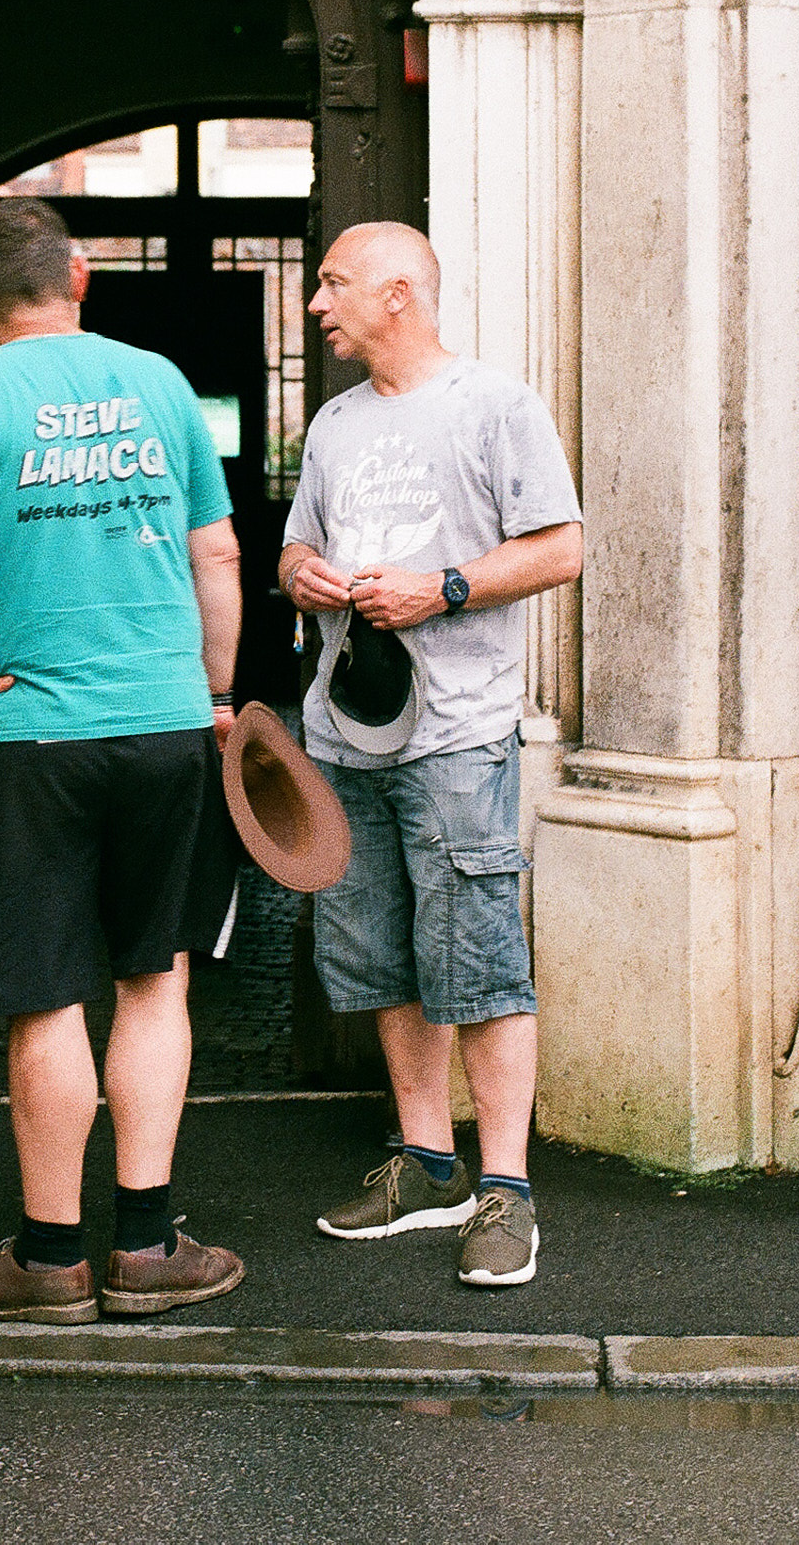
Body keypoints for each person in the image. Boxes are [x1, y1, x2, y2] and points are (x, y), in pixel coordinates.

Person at [0, 196, 246, 1323]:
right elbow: (216, 549)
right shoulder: (160, 382)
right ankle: (146, 1244)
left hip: (25, 734)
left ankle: (46, 1259)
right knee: (151, 976)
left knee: (43, 999)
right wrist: (214, 692)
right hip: (163, 719)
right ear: (80, 276)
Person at [279, 220, 582, 1288]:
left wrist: (440, 587)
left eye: (332, 283)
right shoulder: (331, 422)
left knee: (479, 955)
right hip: (341, 731)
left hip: (455, 730)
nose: (318, 302)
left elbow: (561, 545)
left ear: (399, 293)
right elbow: (295, 545)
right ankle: (424, 1160)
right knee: (378, 952)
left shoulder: (493, 405)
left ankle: (506, 1189)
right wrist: (303, 572)